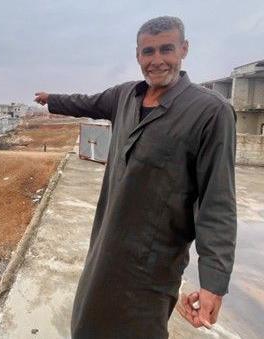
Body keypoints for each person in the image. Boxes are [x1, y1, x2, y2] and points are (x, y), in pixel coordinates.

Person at [34, 16, 237, 338]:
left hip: (152, 264)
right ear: (138, 55)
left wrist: (214, 283)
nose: (156, 61)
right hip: (106, 245)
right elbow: (86, 102)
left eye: (166, 49)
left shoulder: (210, 112)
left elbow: (218, 202)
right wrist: (52, 100)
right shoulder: (125, 96)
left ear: (184, 49)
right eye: (148, 52)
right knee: (88, 325)